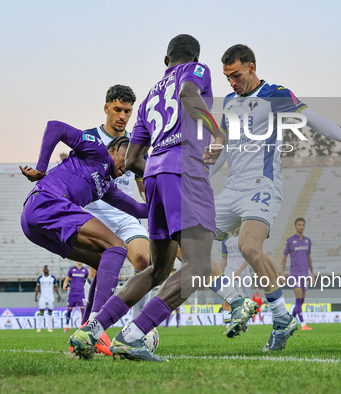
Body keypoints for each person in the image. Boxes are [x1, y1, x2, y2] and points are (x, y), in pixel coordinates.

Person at [69, 34, 229, 362]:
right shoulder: (197, 72)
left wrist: (159, 169)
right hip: (184, 170)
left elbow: (130, 162)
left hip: (155, 175)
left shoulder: (148, 98)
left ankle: (92, 328)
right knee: (198, 265)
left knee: (158, 270)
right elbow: (187, 94)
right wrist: (217, 132)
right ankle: (134, 334)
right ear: (194, 58)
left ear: (165, 59)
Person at [208, 44, 341, 351]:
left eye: (236, 74)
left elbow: (311, 118)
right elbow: (224, 148)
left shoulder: (275, 94)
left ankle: (279, 319)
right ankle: (259, 310)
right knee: (185, 241)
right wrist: (202, 178)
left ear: (252, 67)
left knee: (248, 246)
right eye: (227, 76)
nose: (231, 82)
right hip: (230, 190)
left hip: (262, 186)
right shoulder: (230, 102)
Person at [19, 117, 147, 336]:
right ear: (113, 149)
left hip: (36, 225)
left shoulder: (106, 186)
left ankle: (86, 329)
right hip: (46, 201)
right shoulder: (97, 150)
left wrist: (171, 203)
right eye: (126, 158)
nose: (128, 167)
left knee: (102, 259)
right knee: (117, 246)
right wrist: (41, 168)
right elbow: (54, 127)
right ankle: (97, 326)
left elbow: (138, 209)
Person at [81, 85, 152, 326]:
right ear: (106, 108)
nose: (122, 116)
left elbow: (142, 185)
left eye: (128, 111)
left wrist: (155, 198)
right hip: (94, 213)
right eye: (117, 109)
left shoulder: (136, 145)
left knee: (144, 259)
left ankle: (139, 327)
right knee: (99, 271)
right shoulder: (89, 137)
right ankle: (89, 325)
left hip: (124, 214)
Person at [282, 218, 314, 330]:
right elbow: (284, 256)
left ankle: (290, 321)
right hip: (295, 273)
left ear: (304, 226)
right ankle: (303, 324)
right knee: (298, 298)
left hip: (305, 274)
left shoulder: (308, 241)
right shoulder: (290, 241)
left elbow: (308, 257)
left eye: (303, 225)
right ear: (295, 226)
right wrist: (282, 273)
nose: (301, 226)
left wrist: (312, 273)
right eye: (299, 225)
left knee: (301, 301)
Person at [220, 228, 252, 329]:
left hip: (243, 273)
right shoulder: (225, 240)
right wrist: (222, 273)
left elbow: (248, 257)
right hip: (229, 271)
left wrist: (239, 271)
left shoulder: (245, 239)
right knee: (227, 298)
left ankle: (244, 324)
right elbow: (224, 258)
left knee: (243, 300)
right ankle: (228, 327)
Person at [62, 261, 89, 332]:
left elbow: (88, 281)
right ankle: (67, 326)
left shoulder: (85, 271)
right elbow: (67, 279)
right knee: (69, 309)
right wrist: (64, 284)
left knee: (83, 309)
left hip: (81, 292)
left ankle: (83, 326)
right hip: (72, 292)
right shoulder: (72, 270)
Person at [35, 265, 61, 332]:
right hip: (43, 297)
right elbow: (37, 287)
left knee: (50, 311)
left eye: (47, 269)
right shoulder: (40, 278)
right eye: (45, 269)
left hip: (50, 297)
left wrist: (58, 295)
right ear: (43, 270)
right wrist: (36, 296)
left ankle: (49, 327)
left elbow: (56, 287)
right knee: (41, 311)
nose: (46, 270)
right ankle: (39, 327)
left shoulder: (52, 278)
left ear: (48, 270)